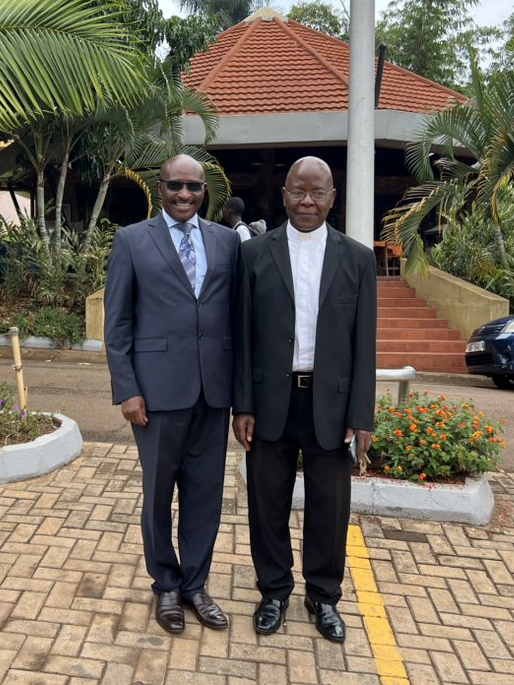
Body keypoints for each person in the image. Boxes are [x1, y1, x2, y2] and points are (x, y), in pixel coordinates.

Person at [231, 156, 377, 643]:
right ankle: (273, 592)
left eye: (318, 193)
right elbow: (243, 336)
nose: (307, 201)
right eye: (298, 191)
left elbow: (365, 345)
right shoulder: (254, 255)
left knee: (330, 507)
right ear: (283, 195)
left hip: (330, 406)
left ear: (333, 198)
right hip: (271, 401)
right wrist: (243, 405)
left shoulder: (357, 259)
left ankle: (323, 596)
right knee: (265, 504)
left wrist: (361, 416)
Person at [104, 154, 243, 635]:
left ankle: (195, 585)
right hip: (156, 393)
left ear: (206, 191)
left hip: (213, 392)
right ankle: (165, 584)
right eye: (175, 186)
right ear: (159, 188)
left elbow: (235, 319)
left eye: (193, 187)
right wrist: (127, 389)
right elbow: (117, 323)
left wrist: (240, 394)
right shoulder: (131, 240)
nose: (184, 195)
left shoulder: (227, 242)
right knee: (159, 494)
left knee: (205, 495)